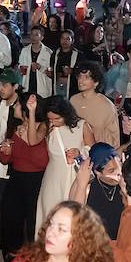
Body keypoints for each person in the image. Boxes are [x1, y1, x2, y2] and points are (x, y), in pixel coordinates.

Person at [0, 93, 49, 256]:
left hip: (36, 182)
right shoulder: (16, 128)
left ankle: (34, 259)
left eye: (18, 105)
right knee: (11, 220)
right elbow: (5, 160)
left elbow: (38, 155)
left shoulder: (43, 127)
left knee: (34, 224)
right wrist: (5, 150)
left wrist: (27, 133)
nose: (15, 107)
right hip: (16, 180)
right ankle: (12, 259)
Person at [36, 95, 92, 230]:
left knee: (73, 218)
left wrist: (80, 153)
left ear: (66, 114)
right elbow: (32, 140)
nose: (53, 122)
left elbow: (93, 150)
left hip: (76, 177)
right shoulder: (47, 127)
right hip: (53, 179)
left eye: (57, 119)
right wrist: (32, 112)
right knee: (49, 214)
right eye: (50, 119)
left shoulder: (82, 125)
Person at [70, 61, 119, 147]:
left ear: (96, 82)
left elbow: (115, 137)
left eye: (86, 77)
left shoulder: (106, 105)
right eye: (80, 76)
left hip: (98, 150)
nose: (81, 80)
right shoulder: (73, 100)